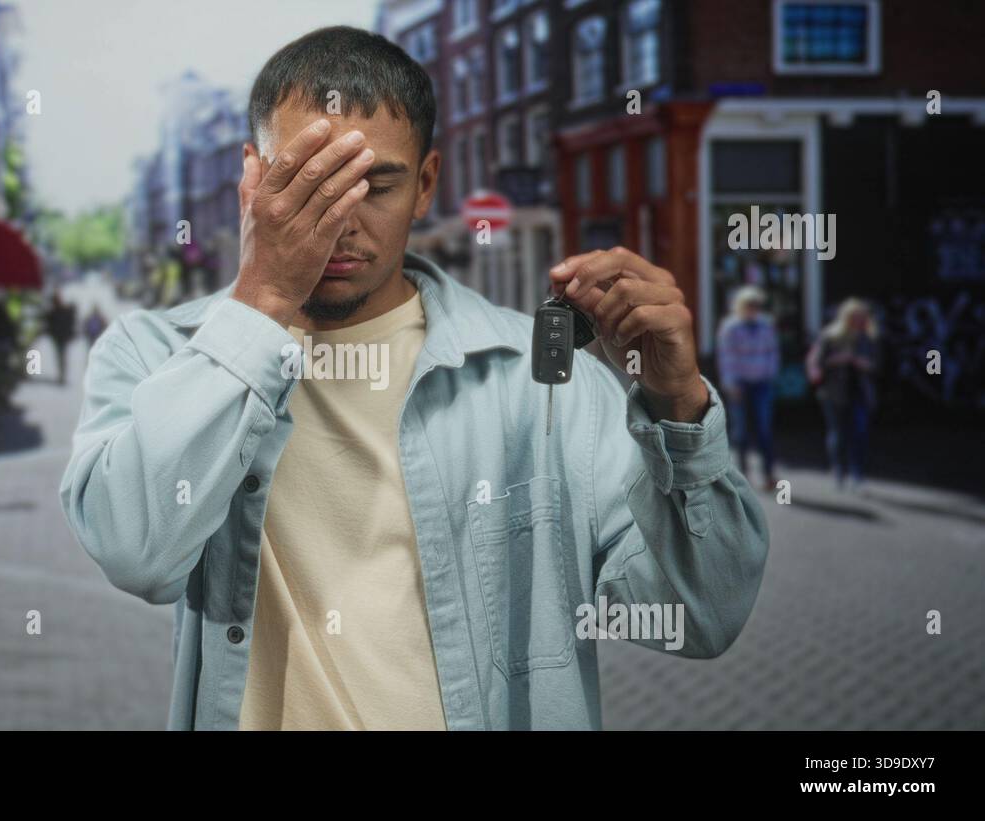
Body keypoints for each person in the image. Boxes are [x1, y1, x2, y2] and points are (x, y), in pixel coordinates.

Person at [60, 27, 769, 731]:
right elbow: (136, 551)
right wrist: (265, 300)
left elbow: (698, 616)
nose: (340, 220)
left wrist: (678, 404)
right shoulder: (153, 354)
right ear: (252, 177)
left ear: (426, 184)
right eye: (307, 184)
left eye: (375, 184)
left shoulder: (539, 379)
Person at [807, 298, 880, 491]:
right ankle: (839, 471)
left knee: (859, 433)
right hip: (834, 392)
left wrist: (862, 363)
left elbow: (879, 364)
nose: (860, 321)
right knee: (837, 433)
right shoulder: (831, 336)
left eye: (862, 318)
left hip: (860, 392)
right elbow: (819, 362)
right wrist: (839, 359)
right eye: (856, 317)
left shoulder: (869, 338)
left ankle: (858, 474)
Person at [716, 285, 781, 491]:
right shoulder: (730, 327)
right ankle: (742, 476)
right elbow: (727, 357)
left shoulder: (766, 325)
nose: (753, 308)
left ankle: (769, 474)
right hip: (740, 383)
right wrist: (731, 383)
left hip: (762, 383)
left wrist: (770, 374)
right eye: (749, 305)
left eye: (756, 305)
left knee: (764, 429)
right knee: (741, 431)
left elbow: (772, 351)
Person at [45, 292, 77, 385]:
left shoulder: (54, 311)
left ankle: (62, 375)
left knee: (61, 356)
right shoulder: (57, 311)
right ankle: (62, 375)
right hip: (61, 337)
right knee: (61, 356)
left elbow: (49, 323)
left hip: (59, 337)